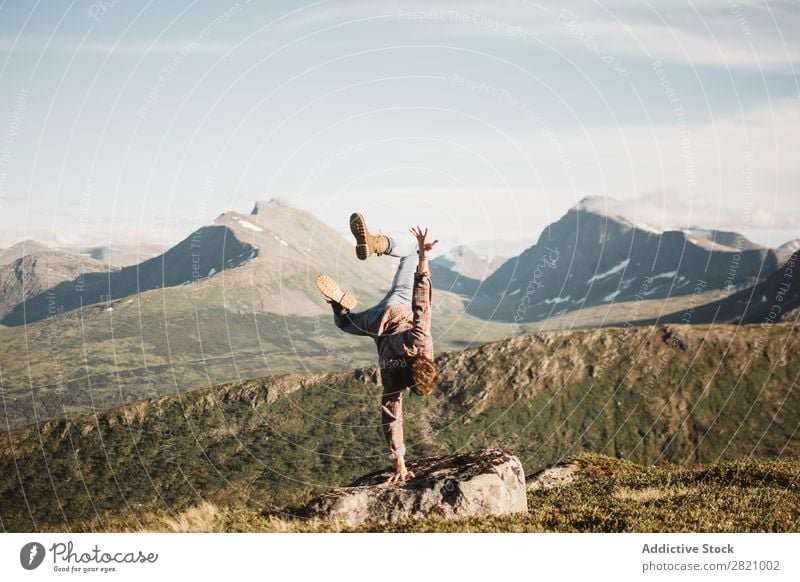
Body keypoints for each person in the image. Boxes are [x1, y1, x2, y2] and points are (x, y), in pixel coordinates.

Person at [316, 212, 439, 483]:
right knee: (345, 325)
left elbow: (422, 305)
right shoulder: (393, 378)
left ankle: (377, 243)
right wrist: (400, 464)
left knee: (410, 247)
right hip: (375, 327)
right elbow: (392, 418)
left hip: (396, 307)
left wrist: (423, 257)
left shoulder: (422, 344)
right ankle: (340, 308)